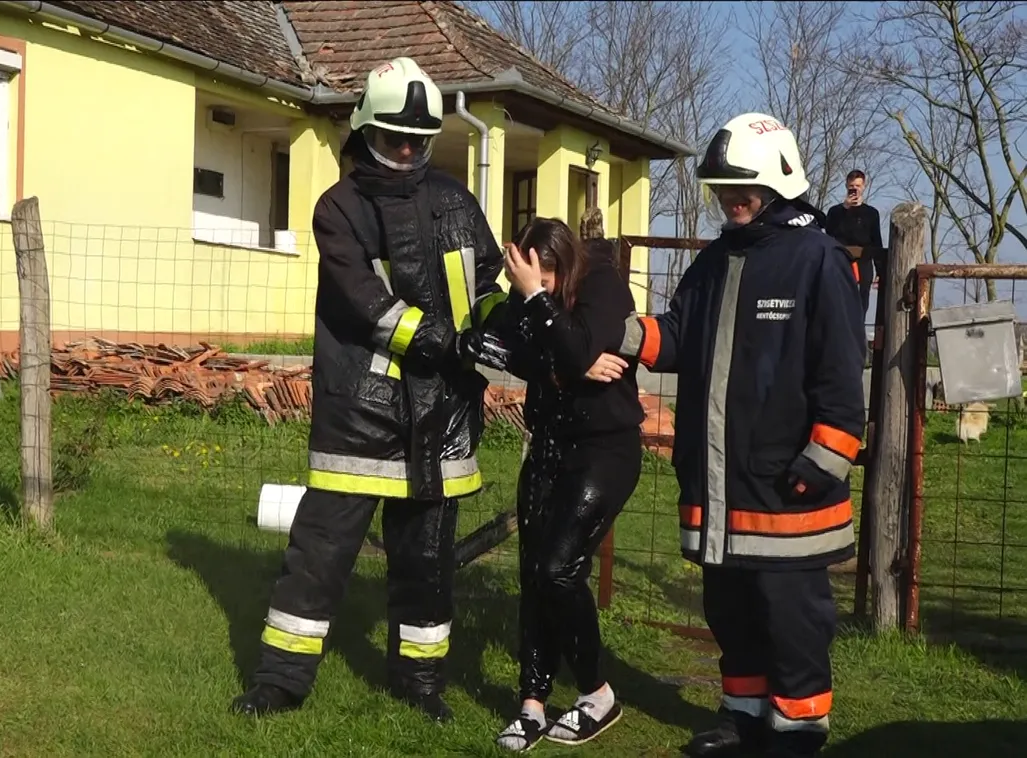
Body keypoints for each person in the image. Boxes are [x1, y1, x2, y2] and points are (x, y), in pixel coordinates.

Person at [230, 56, 512, 723]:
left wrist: (499, 329)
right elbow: (364, 302)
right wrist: (447, 342)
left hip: (443, 414)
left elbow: (490, 280)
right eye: (395, 138)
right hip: (361, 412)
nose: (409, 151)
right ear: (364, 132)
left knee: (426, 563)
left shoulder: (455, 201)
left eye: (419, 139)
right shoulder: (339, 208)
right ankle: (280, 682)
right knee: (318, 557)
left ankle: (419, 686)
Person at [620, 113, 866, 758]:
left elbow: (843, 376)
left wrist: (825, 458)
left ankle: (798, 729)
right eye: (722, 186)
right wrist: (615, 332)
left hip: (790, 486)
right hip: (720, 484)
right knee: (729, 611)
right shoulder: (713, 260)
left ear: (780, 182)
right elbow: (678, 335)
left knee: (793, 618)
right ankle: (744, 716)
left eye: (741, 186)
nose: (730, 198)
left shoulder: (819, 258)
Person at [489, 220, 645, 752]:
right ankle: (532, 703)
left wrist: (539, 303)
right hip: (549, 446)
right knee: (534, 572)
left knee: (558, 570)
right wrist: (565, 367)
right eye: (531, 276)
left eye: (547, 273)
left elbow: (578, 346)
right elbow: (508, 349)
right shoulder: (527, 298)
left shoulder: (602, 282)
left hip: (605, 446)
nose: (540, 285)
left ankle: (597, 693)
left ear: (562, 261)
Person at [824, 170, 884, 318]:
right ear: (846, 186)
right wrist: (845, 209)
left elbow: (876, 240)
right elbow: (829, 235)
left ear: (863, 186)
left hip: (864, 260)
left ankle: (859, 330)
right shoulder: (835, 212)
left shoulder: (871, 213)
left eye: (858, 185)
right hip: (840, 260)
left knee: (862, 300)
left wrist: (880, 270)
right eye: (852, 186)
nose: (855, 189)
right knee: (838, 299)